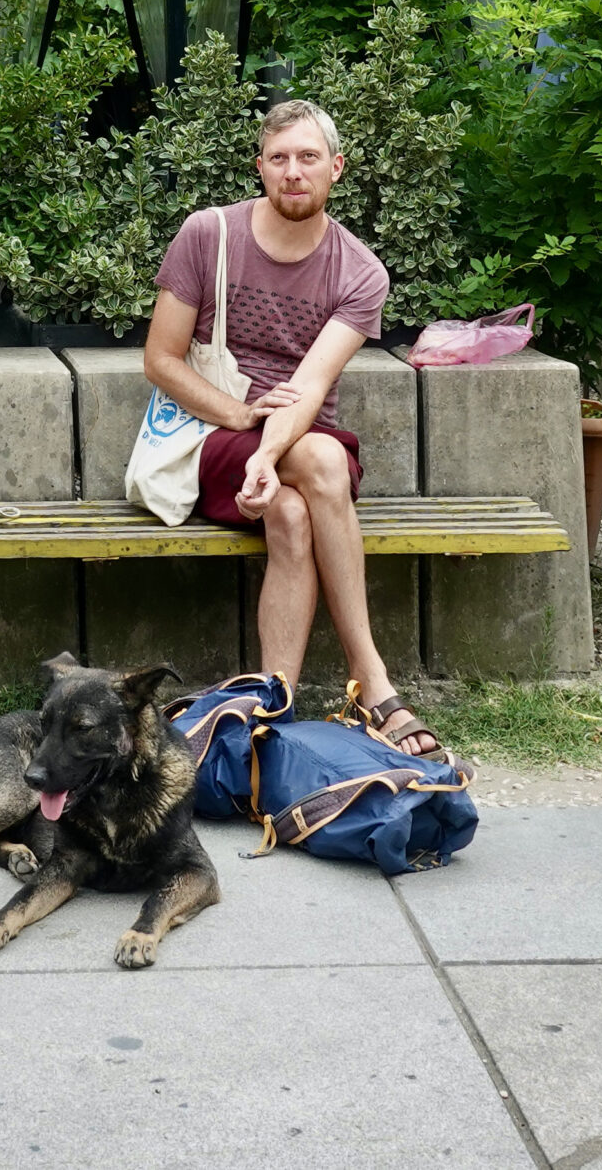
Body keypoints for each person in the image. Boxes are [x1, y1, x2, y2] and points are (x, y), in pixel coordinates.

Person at [142, 99, 443, 759]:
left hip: (298, 441)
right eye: (278, 159)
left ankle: (272, 699)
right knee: (325, 466)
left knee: (296, 508)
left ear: (335, 168)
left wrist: (269, 454)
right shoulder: (207, 234)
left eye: (308, 158)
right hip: (215, 436)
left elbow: (309, 387)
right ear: (260, 168)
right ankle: (376, 684)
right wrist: (242, 421)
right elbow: (160, 360)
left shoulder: (359, 272)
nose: (293, 172)